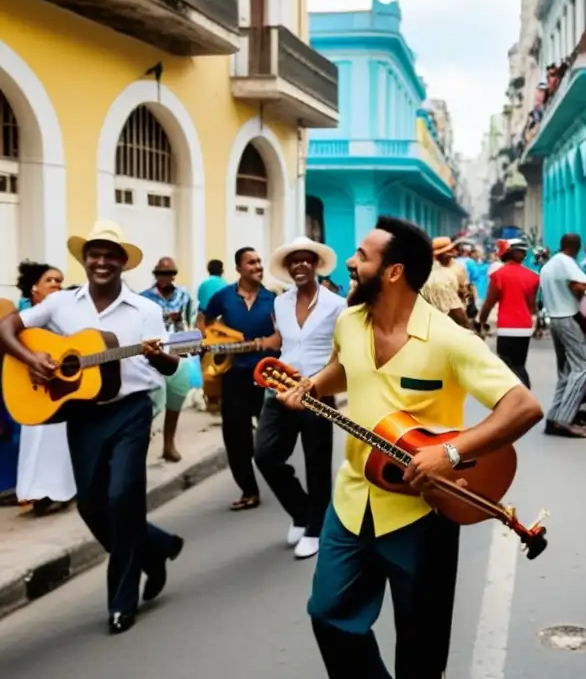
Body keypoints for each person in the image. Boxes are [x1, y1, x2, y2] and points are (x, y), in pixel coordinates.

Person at [276, 216, 543, 679]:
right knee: (328, 613)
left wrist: (451, 453)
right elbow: (342, 367)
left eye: (362, 257)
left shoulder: (449, 339)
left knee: (421, 647)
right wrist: (312, 385)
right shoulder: (349, 322)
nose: (352, 264)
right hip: (353, 500)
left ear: (393, 272)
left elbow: (522, 406)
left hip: (424, 512)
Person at [0, 220, 184, 634]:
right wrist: (33, 361)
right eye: (94, 254)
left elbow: (173, 362)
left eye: (110, 255)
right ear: (85, 260)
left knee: (123, 496)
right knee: (90, 504)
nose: (101, 261)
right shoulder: (62, 304)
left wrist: (159, 356)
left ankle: (121, 602)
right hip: (83, 411)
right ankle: (155, 548)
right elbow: (7, 328)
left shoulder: (147, 310)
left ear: (122, 262)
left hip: (132, 410)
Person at [254, 238, 346, 560]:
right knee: (264, 454)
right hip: (280, 388)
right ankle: (302, 510)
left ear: (316, 265)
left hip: (318, 390)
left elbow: (342, 352)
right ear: (289, 268)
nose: (300, 266)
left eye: (307, 260)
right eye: (295, 262)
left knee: (316, 462)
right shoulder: (280, 304)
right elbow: (284, 344)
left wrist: (331, 383)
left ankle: (315, 529)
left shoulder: (337, 304)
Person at [200, 247, 278, 511]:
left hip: (267, 374)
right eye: (251, 262)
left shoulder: (272, 299)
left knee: (272, 432)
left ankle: (277, 477)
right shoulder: (223, 297)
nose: (257, 266)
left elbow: (282, 333)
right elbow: (204, 320)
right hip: (233, 375)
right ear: (238, 268)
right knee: (235, 434)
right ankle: (248, 489)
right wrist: (212, 342)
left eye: (259, 261)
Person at [13, 262, 76, 514]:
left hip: (59, 390)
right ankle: (37, 494)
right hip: (32, 389)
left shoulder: (65, 313)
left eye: (60, 281)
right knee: (35, 440)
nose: (57, 285)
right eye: (50, 280)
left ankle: (59, 491)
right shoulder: (23, 317)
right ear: (34, 288)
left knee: (57, 440)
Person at [539, 233, 586, 438]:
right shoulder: (566, 262)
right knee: (583, 366)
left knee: (566, 371)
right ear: (577, 247)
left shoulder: (549, 265)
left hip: (555, 320)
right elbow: (584, 285)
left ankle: (554, 417)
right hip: (567, 318)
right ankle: (565, 420)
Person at [140, 257, 196, 462]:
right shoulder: (144, 298)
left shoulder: (184, 296)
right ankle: (140, 446)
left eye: (169, 273)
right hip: (153, 355)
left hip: (178, 351)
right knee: (152, 402)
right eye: (161, 274)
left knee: (177, 396)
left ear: (174, 274)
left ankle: (168, 444)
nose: (165, 277)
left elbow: (192, 322)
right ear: (155, 275)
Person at [477, 238, 539, 388]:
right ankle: (524, 396)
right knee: (519, 364)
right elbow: (532, 306)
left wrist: (481, 322)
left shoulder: (499, 275)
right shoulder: (533, 277)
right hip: (525, 327)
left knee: (505, 365)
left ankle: (520, 400)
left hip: (506, 327)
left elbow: (489, 303)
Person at [420, 237, 470, 328]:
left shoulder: (459, 268)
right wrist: (468, 328)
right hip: (445, 319)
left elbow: (464, 289)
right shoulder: (438, 276)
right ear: (437, 255)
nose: (452, 253)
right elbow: (455, 308)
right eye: (449, 251)